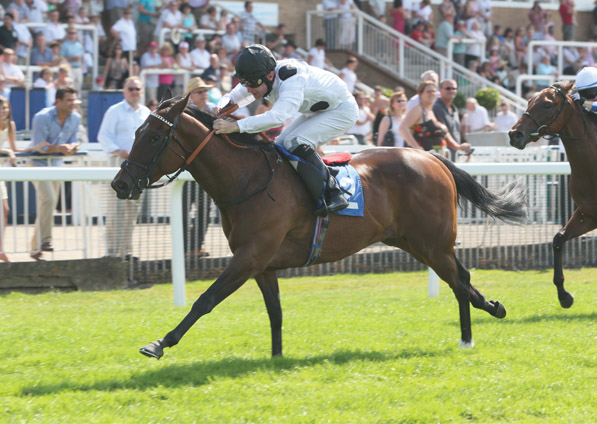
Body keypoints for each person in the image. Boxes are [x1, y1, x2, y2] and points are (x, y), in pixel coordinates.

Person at [213, 44, 358, 216]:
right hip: (317, 111)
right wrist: (217, 110)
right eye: (245, 83)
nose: (249, 89)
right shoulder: (257, 78)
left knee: (294, 142)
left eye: (252, 84)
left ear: (270, 75)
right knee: (281, 144)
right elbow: (232, 99)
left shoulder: (292, 76)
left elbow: (277, 117)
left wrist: (235, 126)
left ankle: (333, 193)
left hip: (341, 110)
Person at [97, 77, 150, 259]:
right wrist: (118, 151)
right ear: (124, 91)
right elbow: (104, 136)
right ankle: (112, 252)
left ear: (141, 91)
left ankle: (126, 250)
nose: (135, 92)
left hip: (138, 169)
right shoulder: (114, 111)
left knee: (132, 211)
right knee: (116, 211)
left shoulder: (146, 112)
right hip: (117, 166)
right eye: (131, 88)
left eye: (137, 88)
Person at [28, 87, 80, 260]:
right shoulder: (41, 117)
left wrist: (72, 147)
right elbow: (40, 147)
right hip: (36, 163)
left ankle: (35, 249)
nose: (73, 103)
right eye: (69, 100)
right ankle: (46, 241)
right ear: (58, 101)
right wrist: (59, 148)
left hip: (56, 165)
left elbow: (73, 140)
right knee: (49, 200)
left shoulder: (76, 118)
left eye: (74, 100)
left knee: (47, 205)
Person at [182, 77, 214, 258]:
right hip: (189, 169)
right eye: (199, 92)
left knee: (204, 209)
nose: (204, 95)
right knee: (184, 210)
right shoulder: (186, 114)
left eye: (205, 91)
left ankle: (196, 246)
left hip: (207, 171)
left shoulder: (213, 111)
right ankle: (185, 246)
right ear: (191, 96)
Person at [400, 80, 472, 153]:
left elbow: (445, 134)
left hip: (436, 158)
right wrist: (416, 147)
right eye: (428, 91)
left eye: (433, 91)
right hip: (422, 159)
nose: (432, 94)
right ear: (421, 94)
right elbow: (403, 128)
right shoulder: (418, 109)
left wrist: (458, 147)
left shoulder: (430, 111)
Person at [433, 78, 464, 159]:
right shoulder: (436, 108)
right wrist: (458, 146)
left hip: (455, 154)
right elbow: (444, 133)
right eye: (448, 88)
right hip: (444, 156)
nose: (451, 90)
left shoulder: (455, 109)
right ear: (440, 90)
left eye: (454, 88)